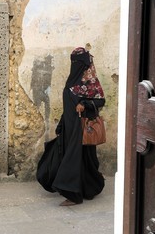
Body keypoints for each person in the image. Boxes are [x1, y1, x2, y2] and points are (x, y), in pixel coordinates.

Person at [36, 46, 105, 206]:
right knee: (74, 158)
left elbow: (100, 100)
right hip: (69, 127)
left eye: (77, 62)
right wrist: (61, 124)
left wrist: (84, 104)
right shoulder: (72, 81)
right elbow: (67, 105)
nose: (74, 65)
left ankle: (73, 194)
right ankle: (89, 188)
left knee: (75, 159)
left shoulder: (90, 81)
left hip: (81, 128)